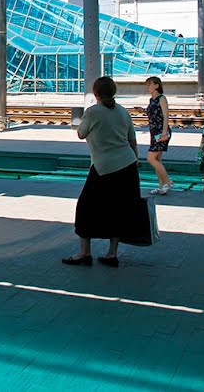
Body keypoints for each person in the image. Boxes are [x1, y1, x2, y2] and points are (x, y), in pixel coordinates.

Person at [63, 76, 141, 268]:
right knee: (118, 209)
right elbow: (132, 140)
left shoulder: (92, 112)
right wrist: (136, 160)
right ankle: (111, 254)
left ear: (95, 93)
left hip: (103, 168)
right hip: (128, 166)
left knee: (85, 208)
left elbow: (80, 133)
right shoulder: (123, 112)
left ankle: (84, 252)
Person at [144, 76, 174, 195]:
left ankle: (167, 181)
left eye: (149, 85)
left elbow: (166, 116)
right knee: (157, 159)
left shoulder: (162, 98)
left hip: (161, 132)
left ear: (157, 85)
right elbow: (152, 113)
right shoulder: (152, 100)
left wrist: (164, 132)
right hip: (154, 132)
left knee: (151, 158)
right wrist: (142, 110)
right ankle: (162, 186)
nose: (148, 88)